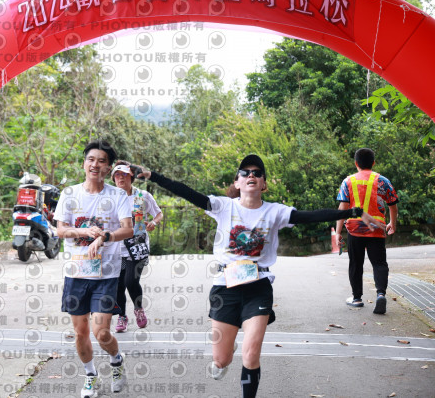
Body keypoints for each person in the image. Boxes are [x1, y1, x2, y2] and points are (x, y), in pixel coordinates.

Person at [131, 155, 384, 398]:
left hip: (258, 287)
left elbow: (310, 215)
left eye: (257, 173)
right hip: (225, 287)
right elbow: (187, 192)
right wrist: (154, 176)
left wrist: (353, 211)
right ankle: (224, 355)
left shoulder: (275, 212)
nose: (251, 175)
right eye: (245, 173)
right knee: (221, 359)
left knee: (251, 354)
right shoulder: (223, 206)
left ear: (263, 184)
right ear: (237, 182)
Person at [53, 140, 133, 398]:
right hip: (76, 273)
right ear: (84, 164)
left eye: (101, 161)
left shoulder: (117, 195)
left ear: (108, 167)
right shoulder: (69, 194)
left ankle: (116, 360)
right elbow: (61, 230)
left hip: (106, 275)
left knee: (101, 332)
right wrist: (84, 232)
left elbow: (128, 229)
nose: (95, 164)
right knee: (80, 332)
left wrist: (104, 237)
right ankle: (90, 375)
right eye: (91, 159)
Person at [335, 148, 399, 314]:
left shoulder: (348, 181)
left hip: (354, 228)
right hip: (376, 228)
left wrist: (338, 232)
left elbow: (343, 208)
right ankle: (381, 294)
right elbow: (393, 205)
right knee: (379, 263)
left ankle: (356, 298)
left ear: (356, 163)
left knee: (356, 263)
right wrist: (392, 223)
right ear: (373, 163)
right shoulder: (382, 181)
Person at [110, 161, 163, 332]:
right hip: (116, 248)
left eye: (124, 174)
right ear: (113, 178)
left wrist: (153, 223)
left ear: (131, 176)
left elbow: (158, 214)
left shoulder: (142, 196)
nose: (121, 178)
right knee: (118, 285)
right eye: (117, 175)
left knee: (131, 281)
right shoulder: (110, 198)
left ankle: (138, 309)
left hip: (137, 246)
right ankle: (122, 316)